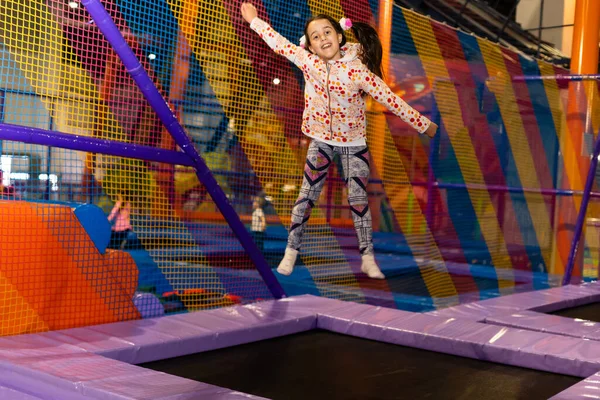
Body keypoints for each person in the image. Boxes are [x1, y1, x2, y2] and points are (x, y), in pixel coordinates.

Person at [240, 3, 438, 279]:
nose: (323, 39)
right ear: (309, 46)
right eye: (316, 36)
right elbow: (278, 44)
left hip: (354, 144)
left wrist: (424, 124)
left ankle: (368, 257)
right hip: (321, 141)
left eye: (327, 32)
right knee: (306, 197)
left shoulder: (358, 72)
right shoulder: (307, 62)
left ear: (340, 36)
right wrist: (254, 20)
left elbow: (389, 99)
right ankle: (290, 252)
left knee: (357, 199)